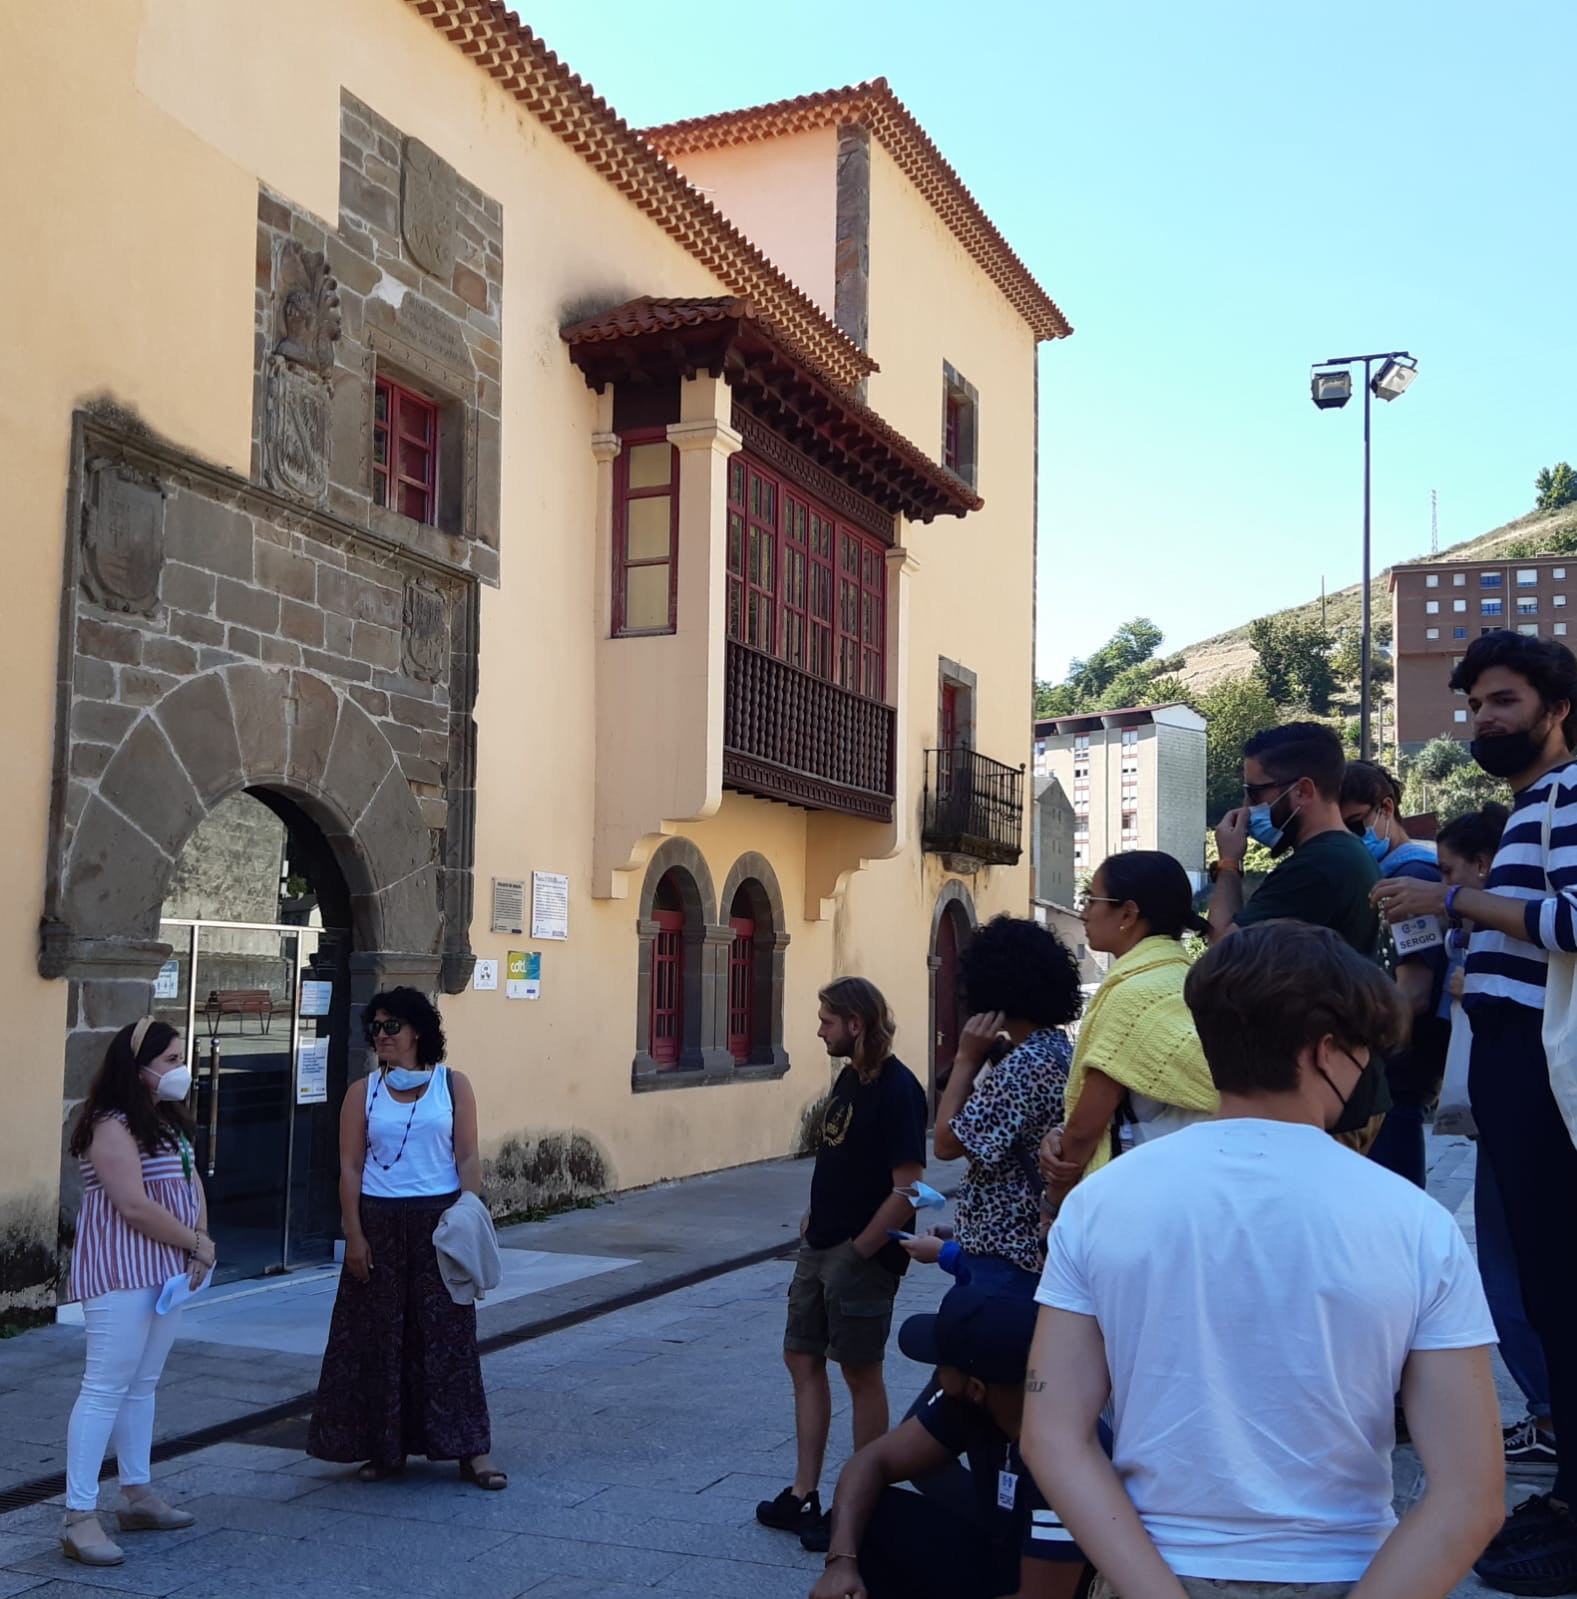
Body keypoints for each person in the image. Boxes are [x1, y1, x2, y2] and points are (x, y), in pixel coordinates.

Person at [1022, 919, 1504, 1599]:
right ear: (1328, 1052)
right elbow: (1471, 1494)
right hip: (1358, 1573)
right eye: (1362, 1049)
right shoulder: (1414, 1224)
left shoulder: (1100, 1203)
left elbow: (1051, 1436)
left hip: (1152, 1567)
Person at [1375, 630, 1577, 1591]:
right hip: (1509, 1062)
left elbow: (1575, 919)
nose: (1483, 719)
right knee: (1543, 1285)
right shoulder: (1533, 801)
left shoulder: (1569, 792)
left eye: (1501, 701)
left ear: (1554, 706)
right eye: (1475, 705)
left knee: (1559, 1285)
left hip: (1537, 1063)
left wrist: (1452, 897)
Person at [307, 987, 503, 1490]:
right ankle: (384, 1447)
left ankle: (471, 1450)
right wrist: (353, 1235)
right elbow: (349, 1167)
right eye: (374, 1027)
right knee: (379, 1338)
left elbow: (467, 1157)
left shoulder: (452, 1085)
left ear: (418, 1030)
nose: (382, 1036)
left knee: (450, 1339)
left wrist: (467, 1209)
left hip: (438, 1223)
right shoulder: (362, 1091)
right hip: (380, 1222)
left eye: (391, 1026)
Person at [758, 979, 926, 1544]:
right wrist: (814, 1216)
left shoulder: (901, 1089)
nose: (820, 1029)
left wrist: (861, 1250)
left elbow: (908, 1189)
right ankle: (804, 1494)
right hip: (821, 1243)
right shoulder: (851, 1078)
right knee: (801, 1358)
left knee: (860, 1371)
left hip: (862, 1254)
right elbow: (841, 1156)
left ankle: (861, 1503)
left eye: (828, 1020)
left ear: (857, 1024)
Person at [807, 1284, 1091, 1599]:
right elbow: (870, 1462)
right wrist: (841, 1563)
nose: (936, 1374)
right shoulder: (974, 1406)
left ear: (976, 1387)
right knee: (873, 1513)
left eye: (941, 1366)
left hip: (1047, 1584)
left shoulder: (1065, 1463)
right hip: (1001, 1555)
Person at [62, 1018, 215, 1567]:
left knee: (141, 1384)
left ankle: (137, 1493)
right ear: (140, 1065)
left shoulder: (164, 1121)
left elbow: (189, 1178)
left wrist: (199, 1236)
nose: (180, 1069)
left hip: (164, 1273)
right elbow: (131, 1204)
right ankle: (79, 1514)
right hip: (122, 1273)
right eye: (171, 1059)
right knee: (105, 1385)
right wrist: (197, 1242)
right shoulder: (109, 1124)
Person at [1436, 803, 1556, 1469]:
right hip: (1514, 1113)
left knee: (1508, 1272)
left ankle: (1546, 1412)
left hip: (1518, 1113)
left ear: (1485, 868)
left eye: (1450, 872)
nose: (1442, 886)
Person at [1038, 852, 1217, 1210]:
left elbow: (1087, 1127)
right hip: (1192, 1184)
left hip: (1136, 1196)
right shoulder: (1190, 980)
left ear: (1129, 913)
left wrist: (1052, 1205)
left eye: (1092, 900)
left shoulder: (1132, 997)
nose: (1084, 912)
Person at [923, 916, 1083, 1295]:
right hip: (1034, 1245)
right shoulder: (1060, 1052)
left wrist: (966, 1058)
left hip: (1008, 1259)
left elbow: (945, 1144)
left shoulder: (1024, 1065)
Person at [1339, 760, 1449, 1188]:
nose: (1350, 839)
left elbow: (1415, 990)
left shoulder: (1409, 878)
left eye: (1355, 824)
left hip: (1398, 1070)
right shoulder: (1391, 873)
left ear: (1387, 809)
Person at [1207, 721, 1380, 955]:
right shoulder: (1348, 852)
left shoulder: (1313, 869)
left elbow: (1221, 955)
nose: (1247, 807)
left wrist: (1228, 863)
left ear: (1303, 791)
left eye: (1254, 792)